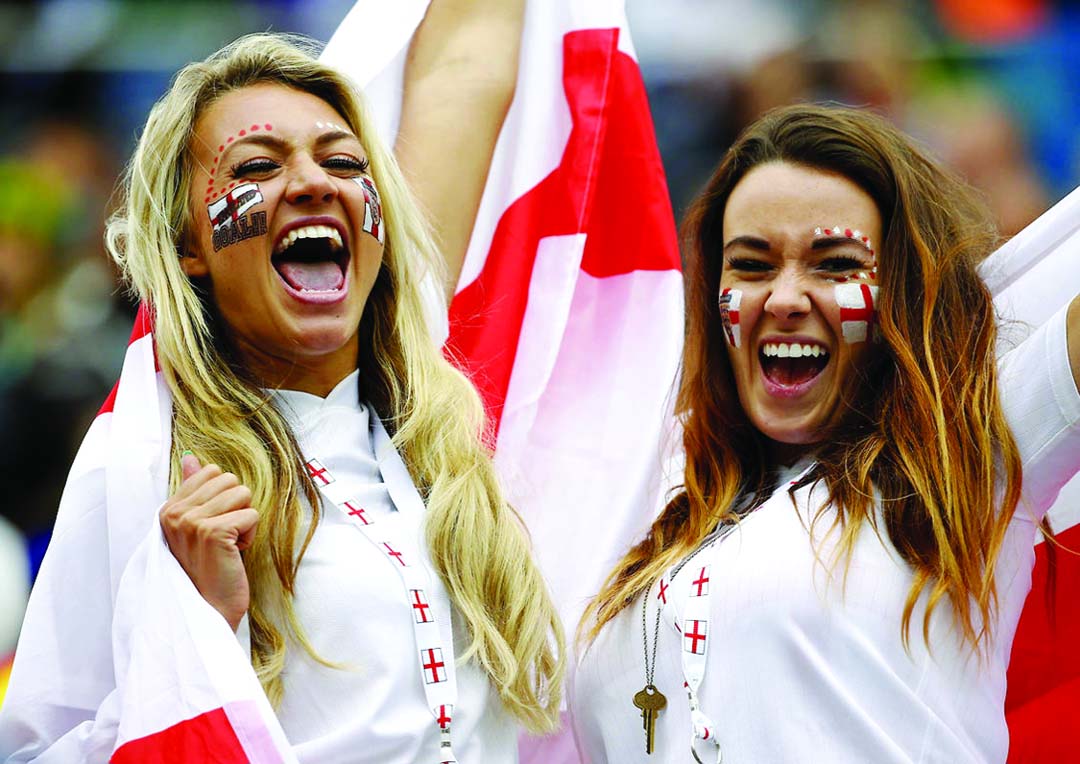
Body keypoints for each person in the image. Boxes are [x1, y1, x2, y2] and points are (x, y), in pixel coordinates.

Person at [0, 25, 562, 764]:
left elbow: (465, 72)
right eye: (258, 165)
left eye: (342, 162)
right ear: (188, 246)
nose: (314, 183)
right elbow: (43, 750)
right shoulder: (148, 459)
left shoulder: (435, 419)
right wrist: (195, 629)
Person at [572, 104, 1080, 762]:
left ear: (903, 291)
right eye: (751, 266)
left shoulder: (960, 450)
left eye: (835, 263)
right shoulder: (654, 498)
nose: (784, 297)